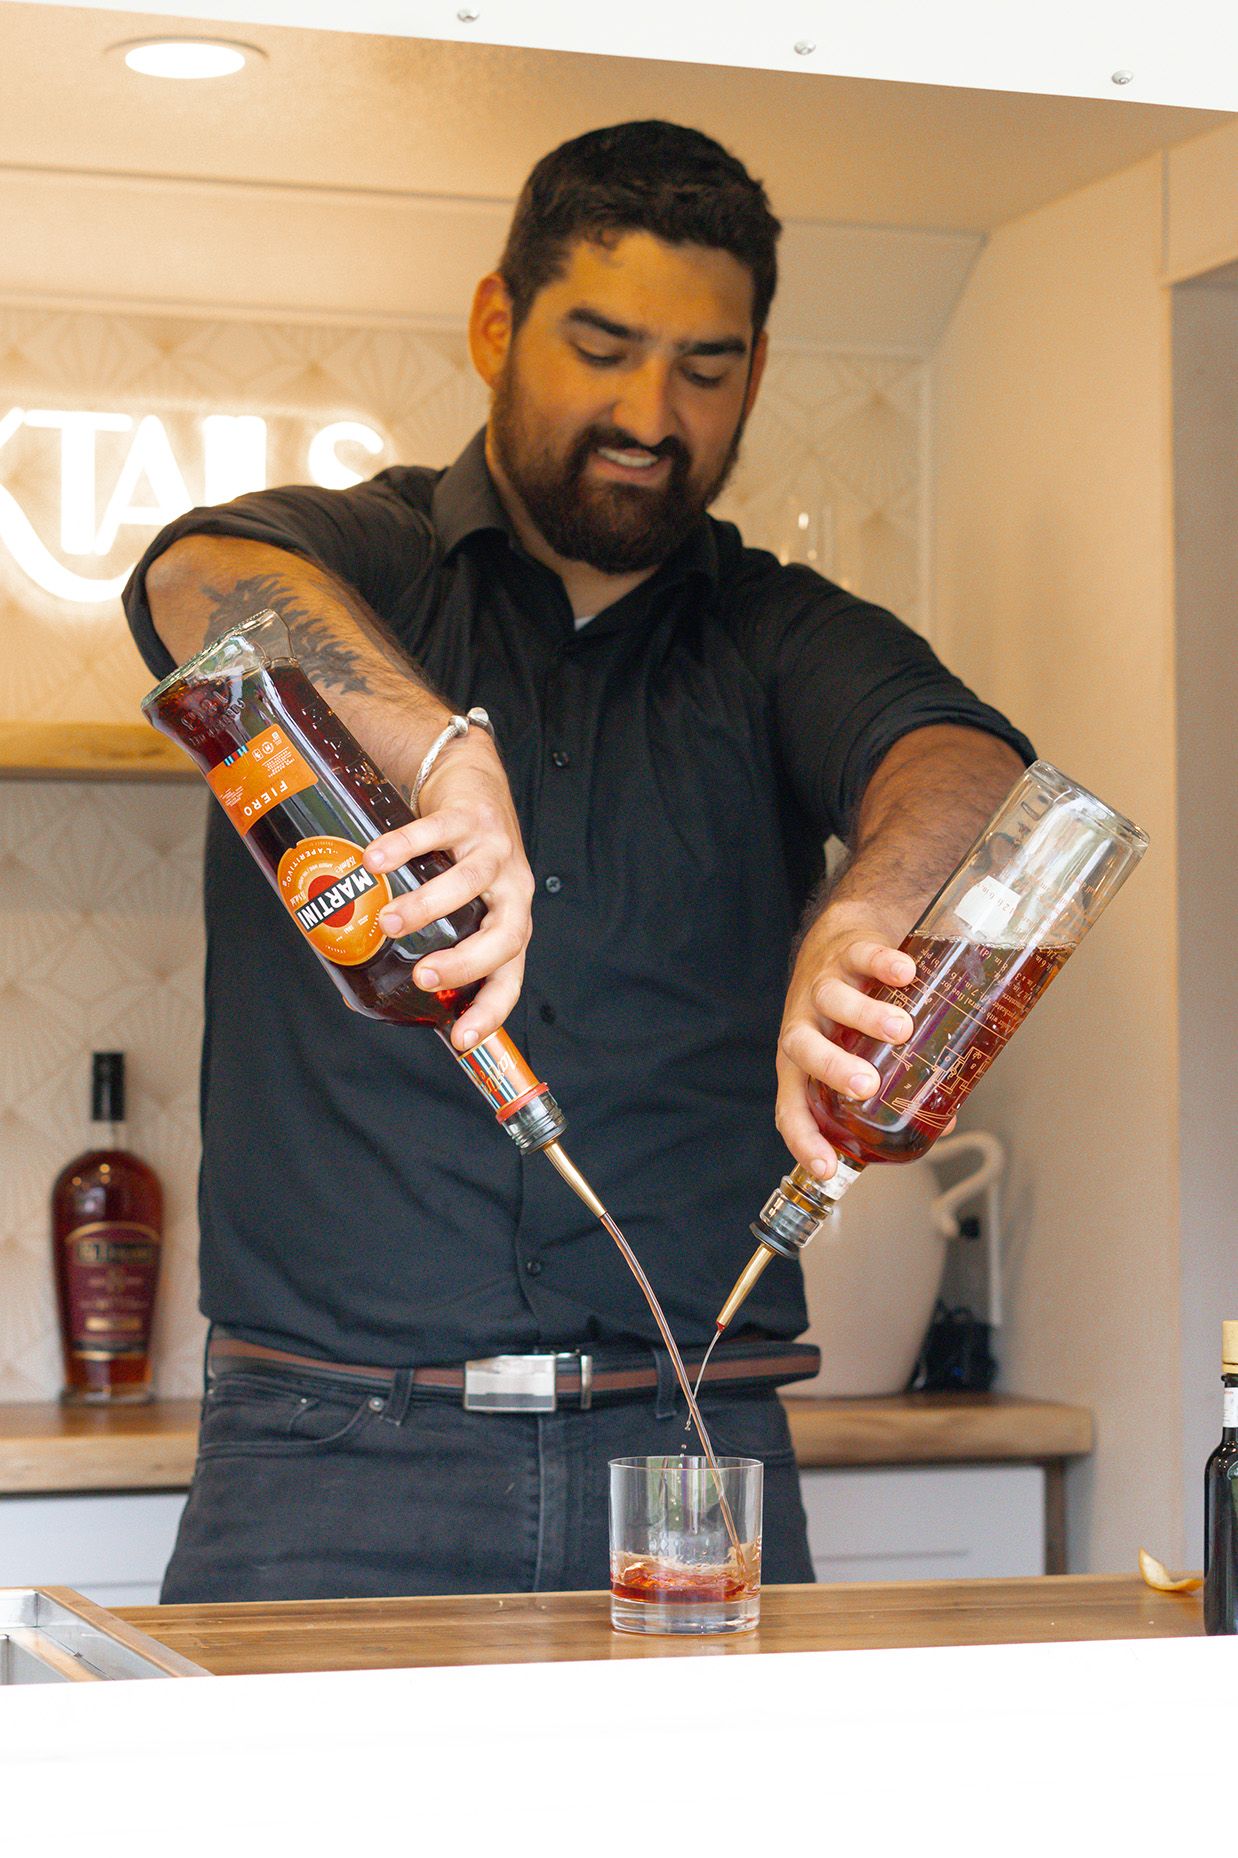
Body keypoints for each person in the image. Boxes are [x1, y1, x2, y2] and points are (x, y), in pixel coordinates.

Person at [125, 120, 1032, 1602]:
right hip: (322, 1461)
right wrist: (430, 748)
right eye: (600, 346)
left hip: (691, 1457)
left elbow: (960, 767)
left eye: (705, 365)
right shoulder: (360, 559)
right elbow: (199, 578)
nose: (649, 412)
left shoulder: (779, 634)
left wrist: (867, 909)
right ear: (497, 320)